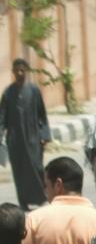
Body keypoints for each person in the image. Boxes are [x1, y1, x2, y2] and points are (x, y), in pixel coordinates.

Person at [0, 59, 50, 211]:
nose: (20, 73)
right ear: (13, 72)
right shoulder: (8, 93)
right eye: (17, 70)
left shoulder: (34, 90)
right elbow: (2, 117)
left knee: (37, 168)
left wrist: (45, 135)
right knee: (19, 172)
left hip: (33, 138)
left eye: (22, 70)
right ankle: (23, 202)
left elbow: (42, 114)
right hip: (15, 140)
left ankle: (42, 198)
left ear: (26, 71)